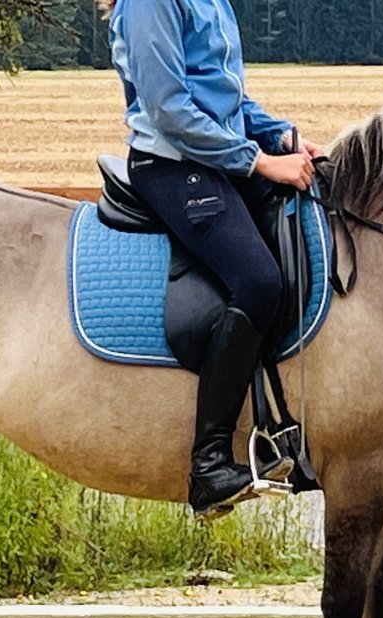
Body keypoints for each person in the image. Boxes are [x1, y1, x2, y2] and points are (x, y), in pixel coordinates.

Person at [107, 0, 322, 521]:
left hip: (216, 157)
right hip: (172, 164)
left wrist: (281, 134)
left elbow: (225, 97)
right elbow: (170, 110)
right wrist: (261, 161)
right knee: (257, 280)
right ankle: (208, 465)